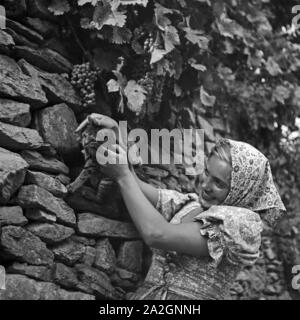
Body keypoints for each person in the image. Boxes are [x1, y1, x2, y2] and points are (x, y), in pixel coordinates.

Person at [77, 114, 286, 300]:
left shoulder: (240, 225)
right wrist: (115, 133)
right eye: (207, 174)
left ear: (243, 191)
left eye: (219, 183)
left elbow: (156, 234)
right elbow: (136, 186)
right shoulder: (189, 204)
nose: (206, 186)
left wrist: (122, 175)